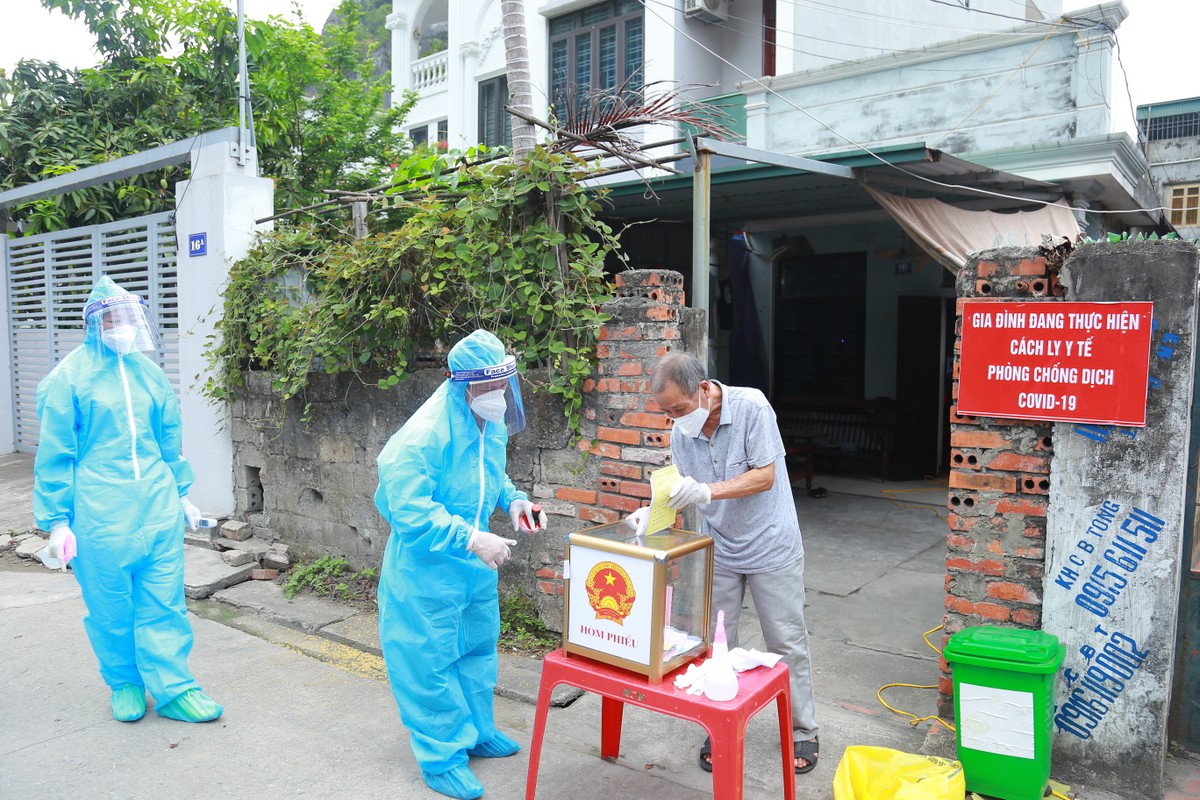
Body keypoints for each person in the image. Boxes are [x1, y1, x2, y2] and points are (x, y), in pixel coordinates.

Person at [33, 275, 223, 724]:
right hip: (98, 513)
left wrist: (182, 494)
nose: (124, 327)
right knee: (110, 606)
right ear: (95, 323)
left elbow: (167, 440)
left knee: (164, 602)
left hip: (156, 508)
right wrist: (58, 521)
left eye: (129, 318)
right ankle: (125, 682)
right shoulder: (71, 378)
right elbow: (56, 453)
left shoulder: (149, 373)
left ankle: (175, 689)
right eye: (114, 318)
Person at [625, 352, 819, 775]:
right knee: (717, 644)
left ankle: (803, 730)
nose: (675, 418)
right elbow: (677, 489)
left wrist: (708, 492)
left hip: (771, 545)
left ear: (702, 388)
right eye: (667, 412)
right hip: (722, 548)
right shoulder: (681, 434)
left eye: (679, 408)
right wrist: (652, 511)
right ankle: (719, 726)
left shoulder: (751, 407)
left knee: (785, 640)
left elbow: (765, 475)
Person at [374, 329, 547, 800]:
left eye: (504, 386)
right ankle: (442, 757)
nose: (501, 397)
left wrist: (515, 501)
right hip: (426, 571)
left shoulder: (484, 422)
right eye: (492, 387)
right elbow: (408, 510)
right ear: (465, 383)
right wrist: (469, 538)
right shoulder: (422, 437)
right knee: (427, 663)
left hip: (472, 569)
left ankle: (477, 730)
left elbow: (491, 476)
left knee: (476, 651)